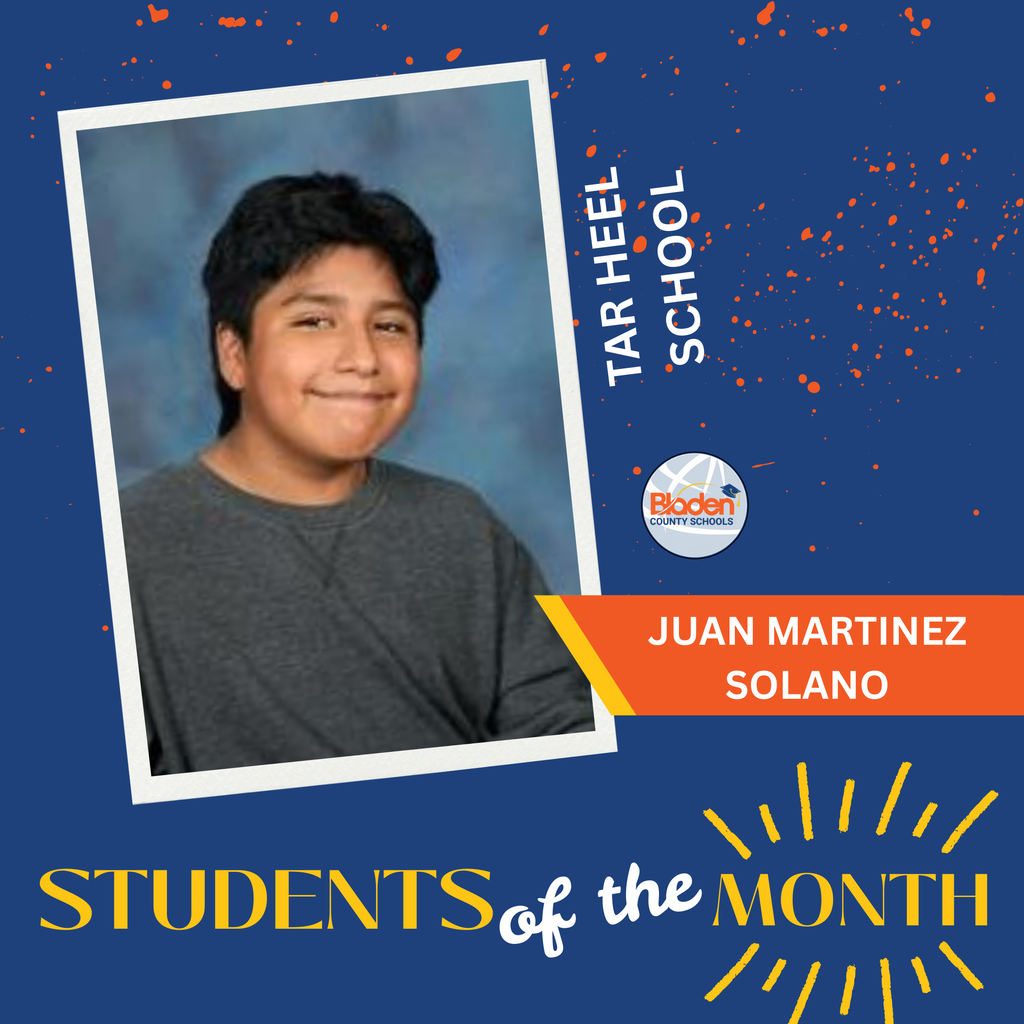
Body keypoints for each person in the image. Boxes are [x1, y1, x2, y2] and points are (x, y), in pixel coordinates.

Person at [119, 173, 595, 775]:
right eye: (315, 322)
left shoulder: (464, 530)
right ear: (234, 353)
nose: (363, 359)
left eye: (390, 325)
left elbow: (560, 730)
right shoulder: (128, 549)